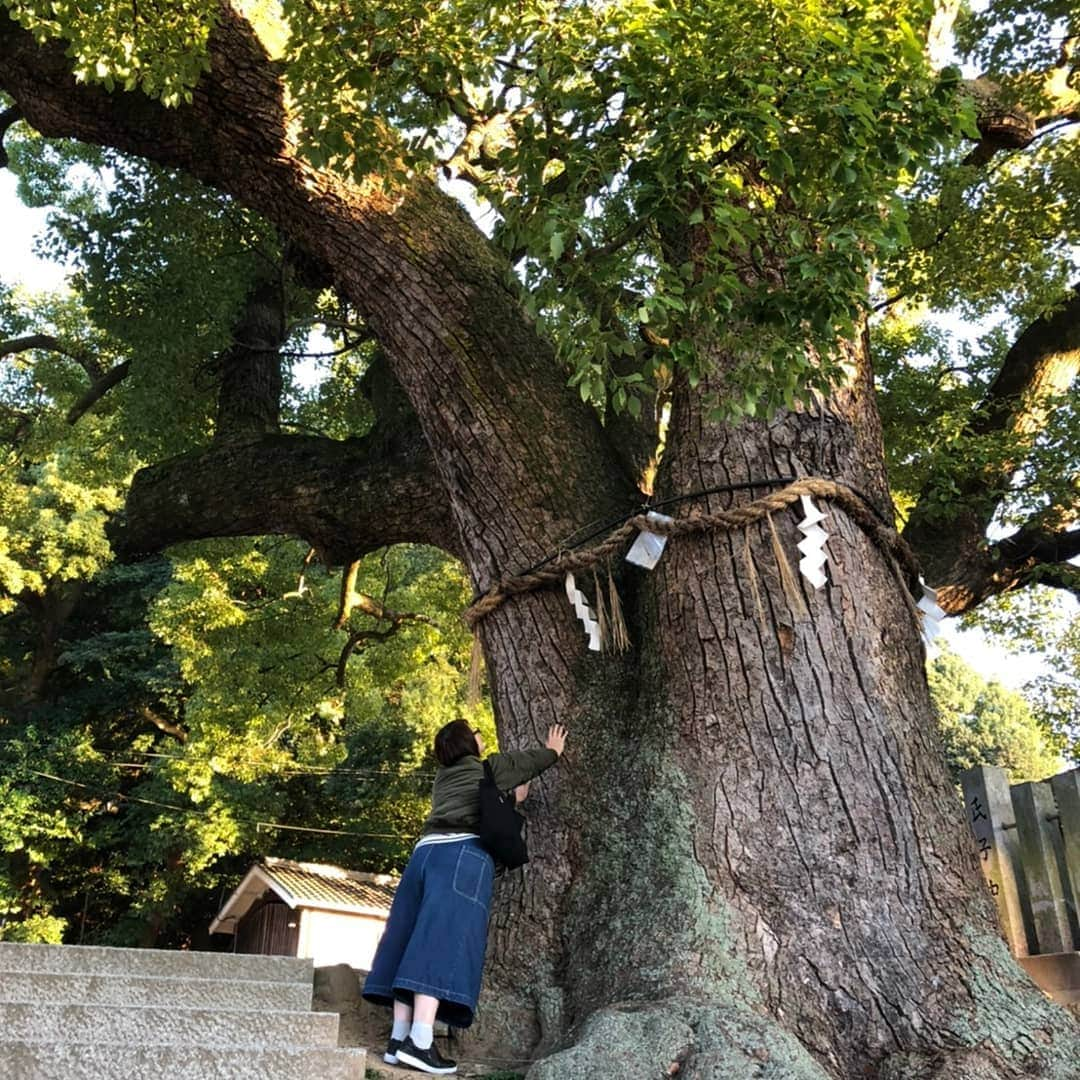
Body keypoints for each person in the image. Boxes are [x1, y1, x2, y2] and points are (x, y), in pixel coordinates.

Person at [362, 718, 567, 1075]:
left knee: (409, 938)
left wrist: (510, 801)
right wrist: (553, 751)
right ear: (466, 743)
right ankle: (421, 1042)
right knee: (442, 940)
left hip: (423, 855)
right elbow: (526, 763)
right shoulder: (487, 767)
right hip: (460, 856)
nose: (480, 735)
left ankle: (398, 1039)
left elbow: (482, 801)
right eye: (475, 732)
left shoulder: (444, 779)